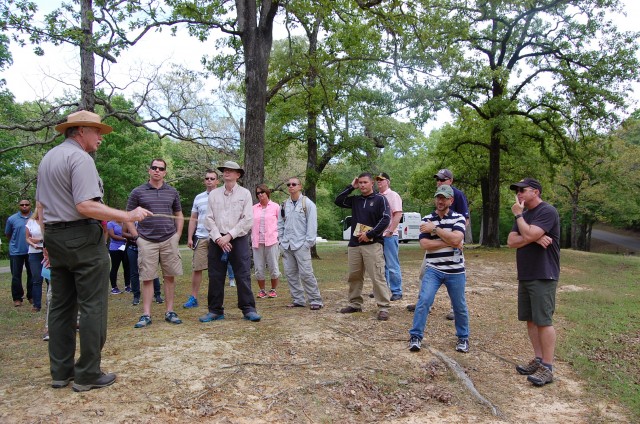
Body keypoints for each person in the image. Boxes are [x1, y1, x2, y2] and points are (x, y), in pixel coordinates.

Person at [36, 110, 151, 392]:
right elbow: (85, 206)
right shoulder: (80, 158)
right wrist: (127, 215)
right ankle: (87, 373)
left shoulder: (48, 158)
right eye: (97, 131)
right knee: (92, 305)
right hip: (82, 238)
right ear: (81, 131)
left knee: (61, 307)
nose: (100, 137)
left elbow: (40, 209)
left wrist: (47, 243)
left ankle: (61, 372)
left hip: (55, 237)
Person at [507, 178, 560, 387]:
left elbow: (526, 232)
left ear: (535, 192)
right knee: (530, 319)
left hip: (543, 273)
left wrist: (522, 220)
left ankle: (547, 367)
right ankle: (538, 360)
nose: (518, 194)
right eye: (517, 190)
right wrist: (534, 237)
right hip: (526, 273)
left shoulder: (547, 211)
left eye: (522, 190)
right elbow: (511, 241)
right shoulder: (524, 214)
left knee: (544, 320)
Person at [408, 185, 470, 353]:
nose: (440, 201)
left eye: (444, 198)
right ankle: (415, 336)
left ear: (451, 200)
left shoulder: (458, 218)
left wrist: (435, 230)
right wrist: (451, 242)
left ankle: (463, 338)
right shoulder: (427, 218)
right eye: (438, 197)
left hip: (456, 270)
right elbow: (424, 244)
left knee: (459, 306)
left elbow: (458, 237)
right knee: (424, 301)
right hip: (433, 269)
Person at [200, 160, 261, 323]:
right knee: (215, 275)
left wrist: (229, 236)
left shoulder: (245, 194)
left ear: (238, 175)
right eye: (224, 170)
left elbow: (248, 220)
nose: (226, 172)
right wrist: (218, 238)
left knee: (242, 274)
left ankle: (248, 309)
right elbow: (208, 219)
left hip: (238, 239)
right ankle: (215, 310)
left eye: (230, 170)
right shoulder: (213, 194)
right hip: (217, 239)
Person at [126, 158, 184, 328]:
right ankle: (146, 314)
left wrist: (178, 234)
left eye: (161, 168)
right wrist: (137, 237)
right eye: (154, 168)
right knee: (147, 277)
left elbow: (179, 214)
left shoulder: (172, 192)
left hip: (169, 239)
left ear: (165, 172)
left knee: (169, 276)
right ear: (149, 170)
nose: (157, 171)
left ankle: (170, 311)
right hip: (146, 240)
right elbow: (128, 216)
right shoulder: (137, 192)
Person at [335, 173, 392, 321]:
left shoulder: (380, 199)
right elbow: (338, 200)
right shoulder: (356, 200)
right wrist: (350, 187)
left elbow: (386, 218)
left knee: (377, 276)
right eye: (359, 183)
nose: (362, 185)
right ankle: (355, 304)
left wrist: (370, 234)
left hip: (372, 244)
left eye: (365, 182)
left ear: (371, 183)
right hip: (354, 245)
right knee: (354, 276)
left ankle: (383, 307)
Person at [278, 177, 323, 310]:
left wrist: (308, 243)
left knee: (306, 273)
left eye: (294, 184)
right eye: (289, 184)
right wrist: (281, 241)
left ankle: (315, 300)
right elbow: (280, 224)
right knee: (290, 274)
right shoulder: (284, 204)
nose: (291, 186)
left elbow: (312, 225)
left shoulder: (307, 204)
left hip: (301, 245)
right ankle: (298, 300)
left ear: (300, 186)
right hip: (287, 245)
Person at [184, 170, 221, 308]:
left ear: (217, 181)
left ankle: (215, 298)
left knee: (216, 270)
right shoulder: (198, 197)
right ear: (204, 181)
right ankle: (193, 297)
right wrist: (189, 237)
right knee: (197, 268)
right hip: (201, 237)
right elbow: (193, 219)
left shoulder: (223, 196)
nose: (209, 180)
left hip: (217, 238)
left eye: (212, 178)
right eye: (207, 178)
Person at [375, 172, 404, 301]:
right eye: (377, 180)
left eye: (381, 180)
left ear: (388, 181)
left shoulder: (393, 195)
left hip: (389, 236)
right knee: (380, 265)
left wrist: (390, 231)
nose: (379, 182)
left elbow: (398, 214)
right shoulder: (376, 197)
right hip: (377, 236)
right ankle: (382, 289)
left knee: (392, 264)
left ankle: (397, 291)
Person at [252, 184, 281, 298]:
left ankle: (273, 290)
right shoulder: (253, 208)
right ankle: (262, 290)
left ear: (267, 193)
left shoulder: (275, 207)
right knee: (259, 268)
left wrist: (279, 236)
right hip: (257, 242)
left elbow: (281, 223)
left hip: (272, 241)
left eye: (262, 192)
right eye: (258, 193)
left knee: (273, 266)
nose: (260, 195)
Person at [123, 223, 162, 306]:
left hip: (148, 248)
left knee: (152, 270)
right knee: (134, 272)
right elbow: (123, 233)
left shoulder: (147, 216)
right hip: (132, 248)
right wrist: (136, 236)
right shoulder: (129, 218)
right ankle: (136, 296)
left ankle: (157, 294)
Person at [5, 199, 33, 307]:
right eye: (22, 205)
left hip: (31, 251)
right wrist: (15, 243)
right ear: (19, 206)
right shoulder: (12, 219)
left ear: (30, 206)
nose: (24, 206)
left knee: (32, 274)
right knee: (16, 275)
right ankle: (17, 298)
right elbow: (8, 234)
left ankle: (31, 296)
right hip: (16, 251)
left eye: (26, 204)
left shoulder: (35, 217)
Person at [25, 205, 45, 312]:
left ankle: (50, 303)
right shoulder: (31, 222)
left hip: (48, 252)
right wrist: (33, 244)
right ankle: (37, 305)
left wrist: (39, 240)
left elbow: (50, 236)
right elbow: (27, 238)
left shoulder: (49, 221)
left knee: (49, 278)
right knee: (37, 279)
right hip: (34, 253)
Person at [106, 221, 130, 294]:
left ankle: (127, 285)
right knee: (115, 267)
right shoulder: (110, 224)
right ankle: (114, 287)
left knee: (127, 267)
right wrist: (124, 238)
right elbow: (112, 235)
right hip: (115, 248)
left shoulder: (124, 223)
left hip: (125, 247)